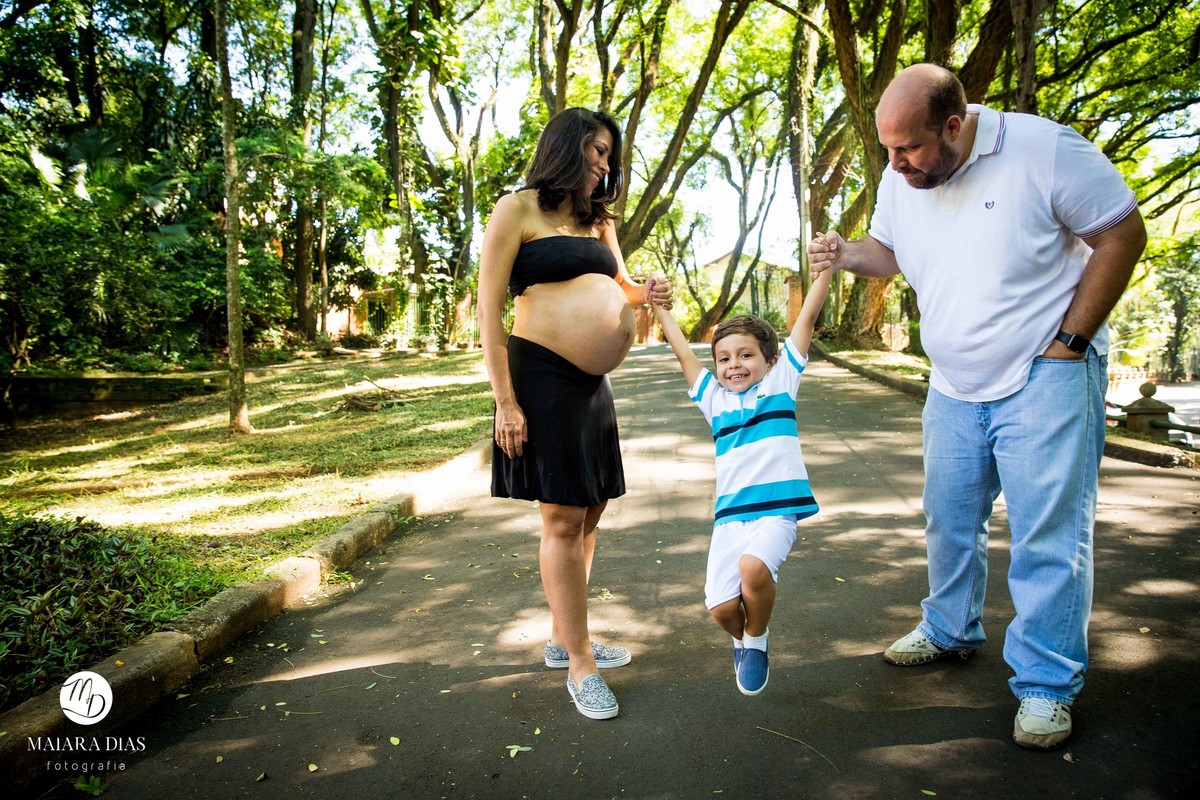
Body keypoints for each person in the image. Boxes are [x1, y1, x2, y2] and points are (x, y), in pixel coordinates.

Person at [807, 63, 1146, 749]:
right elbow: (892, 252)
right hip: (954, 384)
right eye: (887, 151)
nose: (895, 164)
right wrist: (847, 253)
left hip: (1044, 375)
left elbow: (1123, 233)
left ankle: (1047, 686)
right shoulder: (904, 175)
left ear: (954, 126)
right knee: (950, 516)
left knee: (1048, 536)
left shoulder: (1044, 149)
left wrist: (1071, 342)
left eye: (907, 150)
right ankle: (950, 626)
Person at [477, 107, 673, 720]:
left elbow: (622, 287)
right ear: (566, 149)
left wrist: (649, 293)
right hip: (540, 376)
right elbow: (488, 311)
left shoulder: (599, 220)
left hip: (590, 386)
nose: (604, 164)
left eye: (609, 154)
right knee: (561, 517)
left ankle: (567, 638)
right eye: (595, 151)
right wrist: (505, 400)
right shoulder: (517, 209)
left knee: (590, 510)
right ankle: (580, 664)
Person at [650, 268, 831, 696]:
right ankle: (742, 639)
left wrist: (825, 270)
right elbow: (684, 356)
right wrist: (659, 310)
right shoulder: (714, 401)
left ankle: (759, 638)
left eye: (746, 355)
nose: (734, 364)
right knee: (721, 608)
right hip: (730, 521)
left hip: (776, 514)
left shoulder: (781, 385)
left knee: (753, 569)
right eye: (725, 358)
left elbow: (804, 321)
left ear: (770, 361)